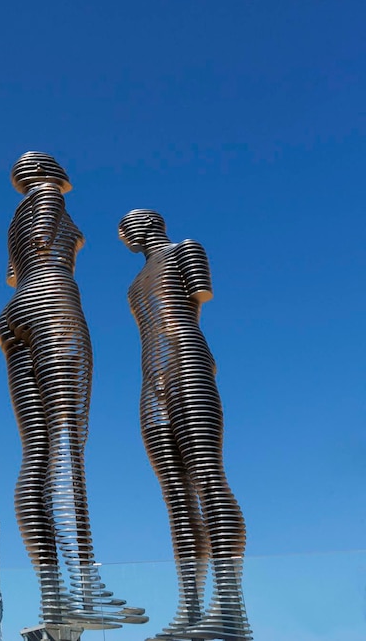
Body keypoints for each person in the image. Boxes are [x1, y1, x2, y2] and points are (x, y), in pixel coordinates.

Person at [0, 152, 145, 631]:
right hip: (53, 305)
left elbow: (12, 274)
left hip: (15, 311)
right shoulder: (46, 199)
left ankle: (54, 597)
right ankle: (85, 590)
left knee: (37, 453)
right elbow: (45, 240)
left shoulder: (12, 219)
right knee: (67, 447)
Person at [119, 209, 251, 640]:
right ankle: (191, 609)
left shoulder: (185, 250)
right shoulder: (134, 284)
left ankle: (229, 604)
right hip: (149, 376)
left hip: (188, 361)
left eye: (130, 223)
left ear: (151, 223)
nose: (124, 232)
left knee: (208, 477)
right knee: (175, 494)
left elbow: (199, 296)